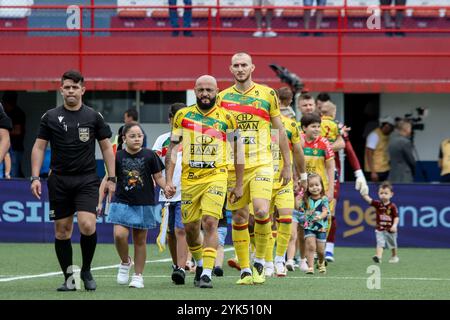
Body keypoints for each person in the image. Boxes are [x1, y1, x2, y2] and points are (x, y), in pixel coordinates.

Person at [30, 70, 116, 292]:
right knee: (62, 231)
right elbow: (39, 147)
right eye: (67, 87)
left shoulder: (93, 116)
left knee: (88, 225)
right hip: (58, 180)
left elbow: (107, 147)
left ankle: (86, 270)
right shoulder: (49, 116)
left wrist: (112, 178)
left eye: (75, 87)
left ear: (82, 90)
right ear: (61, 89)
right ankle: (69, 278)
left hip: (87, 179)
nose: (71, 91)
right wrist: (35, 177)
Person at [217, 52, 292, 285]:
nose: (240, 69)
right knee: (239, 216)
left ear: (252, 68)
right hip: (233, 166)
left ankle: (260, 260)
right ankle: (245, 269)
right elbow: (219, 134)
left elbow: (279, 129)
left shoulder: (268, 94)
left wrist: (287, 164)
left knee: (260, 211)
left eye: (244, 65)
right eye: (236, 65)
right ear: (231, 69)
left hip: (262, 162)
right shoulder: (222, 98)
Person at [164, 75, 244, 289]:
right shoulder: (183, 115)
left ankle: (206, 273)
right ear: (195, 91)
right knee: (190, 228)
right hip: (189, 180)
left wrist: (238, 184)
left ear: (217, 90)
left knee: (210, 222)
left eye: (209, 90)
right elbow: (172, 148)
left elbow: (238, 152)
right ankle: (199, 263)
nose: (205, 94)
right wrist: (168, 179)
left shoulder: (228, 118)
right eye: (201, 90)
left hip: (216, 176)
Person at [101, 122, 165, 289]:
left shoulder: (151, 155)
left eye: (140, 136)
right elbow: (107, 178)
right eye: (132, 136)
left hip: (144, 203)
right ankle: (125, 261)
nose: (137, 139)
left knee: (139, 240)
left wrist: (168, 187)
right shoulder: (117, 156)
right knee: (119, 235)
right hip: (121, 201)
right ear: (124, 138)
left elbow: (158, 177)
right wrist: (99, 200)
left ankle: (138, 276)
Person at [319, 98, 368, 262]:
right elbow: (348, 148)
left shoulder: (312, 125)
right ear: (333, 113)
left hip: (314, 170)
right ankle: (329, 249)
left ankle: (313, 251)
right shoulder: (337, 127)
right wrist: (358, 172)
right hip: (332, 172)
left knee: (311, 210)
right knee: (330, 211)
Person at [152, 102, 190, 285]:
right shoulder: (162, 140)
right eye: (176, 118)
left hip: (189, 191)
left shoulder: (194, 138)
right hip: (167, 193)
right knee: (170, 233)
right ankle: (177, 266)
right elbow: (154, 164)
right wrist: (161, 184)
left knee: (181, 229)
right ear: (170, 120)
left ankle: (183, 267)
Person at [360, 181, 399, 263]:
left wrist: (394, 226)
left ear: (391, 194)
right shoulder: (378, 204)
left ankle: (394, 256)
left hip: (390, 229)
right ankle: (379, 257)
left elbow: (396, 217)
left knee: (392, 244)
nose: (383, 195)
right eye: (381, 193)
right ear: (378, 194)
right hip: (380, 229)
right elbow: (369, 200)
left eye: (386, 193)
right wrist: (364, 193)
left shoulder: (392, 206)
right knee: (380, 243)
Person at [300, 173, 330, 274]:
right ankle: (310, 267)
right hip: (309, 226)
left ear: (321, 186)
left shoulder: (324, 199)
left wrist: (320, 216)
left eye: (317, 185)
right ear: (307, 187)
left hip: (321, 227)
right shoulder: (306, 199)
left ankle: (321, 262)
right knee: (311, 246)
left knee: (321, 250)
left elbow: (325, 212)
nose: (314, 188)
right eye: (311, 186)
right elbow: (300, 209)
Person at [1, 91, 25, 177]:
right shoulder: (5, 113)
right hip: (10, 148)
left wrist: (3, 132)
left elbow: (18, 131)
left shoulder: (17, 113)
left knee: (13, 174)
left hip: (15, 147)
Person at [365, 116, 395, 182]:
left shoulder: (386, 135)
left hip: (384, 168)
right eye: (391, 129)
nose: (391, 131)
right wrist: (373, 172)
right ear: (386, 126)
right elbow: (369, 153)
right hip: (375, 171)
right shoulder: (374, 135)